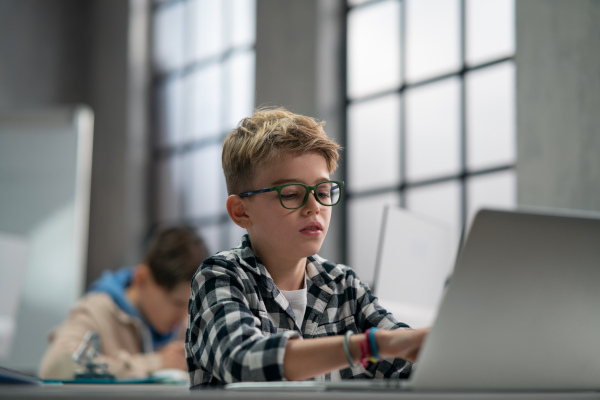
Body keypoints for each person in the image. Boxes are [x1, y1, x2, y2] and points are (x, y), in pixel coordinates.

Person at [185, 108, 429, 387]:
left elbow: (410, 363)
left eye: (323, 192)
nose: (315, 206)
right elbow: (242, 360)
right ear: (241, 211)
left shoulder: (343, 285)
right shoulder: (221, 276)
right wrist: (370, 346)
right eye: (290, 194)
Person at [39, 226, 209, 380]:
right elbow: (56, 367)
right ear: (141, 279)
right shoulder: (95, 312)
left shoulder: (184, 325)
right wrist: (155, 364)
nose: (182, 317)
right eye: (177, 303)